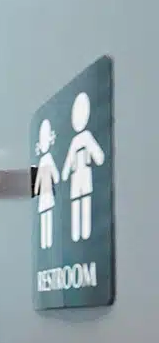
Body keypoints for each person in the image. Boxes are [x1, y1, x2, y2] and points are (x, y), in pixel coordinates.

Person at [62, 92, 105, 241]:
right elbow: (69, 160)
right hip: (77, 177)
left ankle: (85, 232)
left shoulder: (86, 137)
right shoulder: (75, 141)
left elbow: (98, 156)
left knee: (85, 200)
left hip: (85, 174)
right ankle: (77, 233)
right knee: (76, 203)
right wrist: (65, 172)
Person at [35, 119, 60, 249]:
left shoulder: (48, 159)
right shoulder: (43, 161)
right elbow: (39, 177)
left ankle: (48, 242)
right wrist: (35, 190)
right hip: (44, 194)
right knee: (45, 215)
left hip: (48, 193)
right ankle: (46, 242)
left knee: (48, 216)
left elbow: (54, 174)